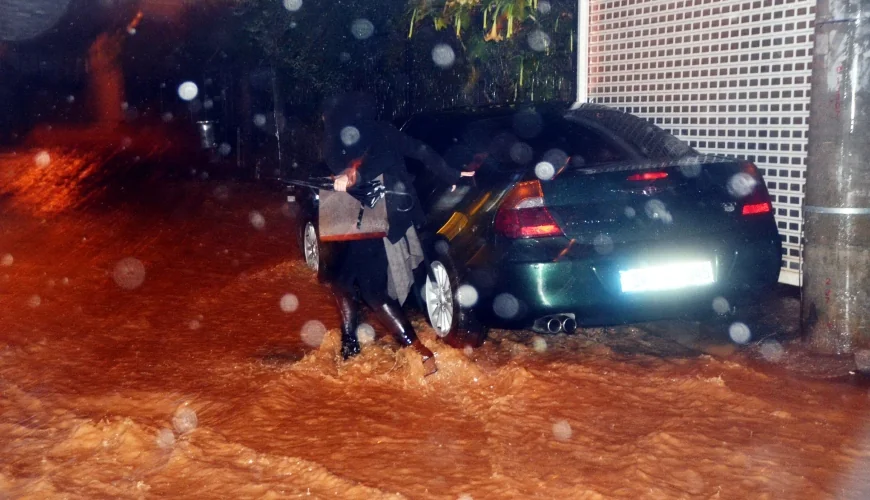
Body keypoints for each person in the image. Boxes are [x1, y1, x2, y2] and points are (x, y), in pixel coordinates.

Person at [321, 93, 474, 376]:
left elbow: (367, 164)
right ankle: (349, 347)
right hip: (364, 220)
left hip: (375, 220)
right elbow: (421, 150)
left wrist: (351, 176)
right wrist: (451, 174)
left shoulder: (352, 137)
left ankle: (422, 354)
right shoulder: (381, 131)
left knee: (373, 290)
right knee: (342, 281)